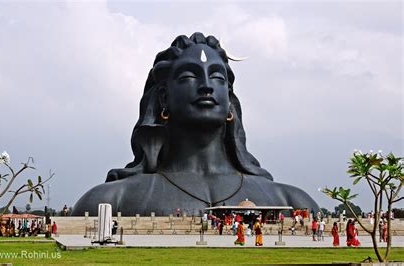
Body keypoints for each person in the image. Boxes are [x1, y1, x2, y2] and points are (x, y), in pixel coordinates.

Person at [72, 32, 321, 216]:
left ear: (230, 103)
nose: (206, 86)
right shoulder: (110, 200)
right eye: (189, 76)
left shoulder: (292, 200)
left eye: (216, 76)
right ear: (163, 98)